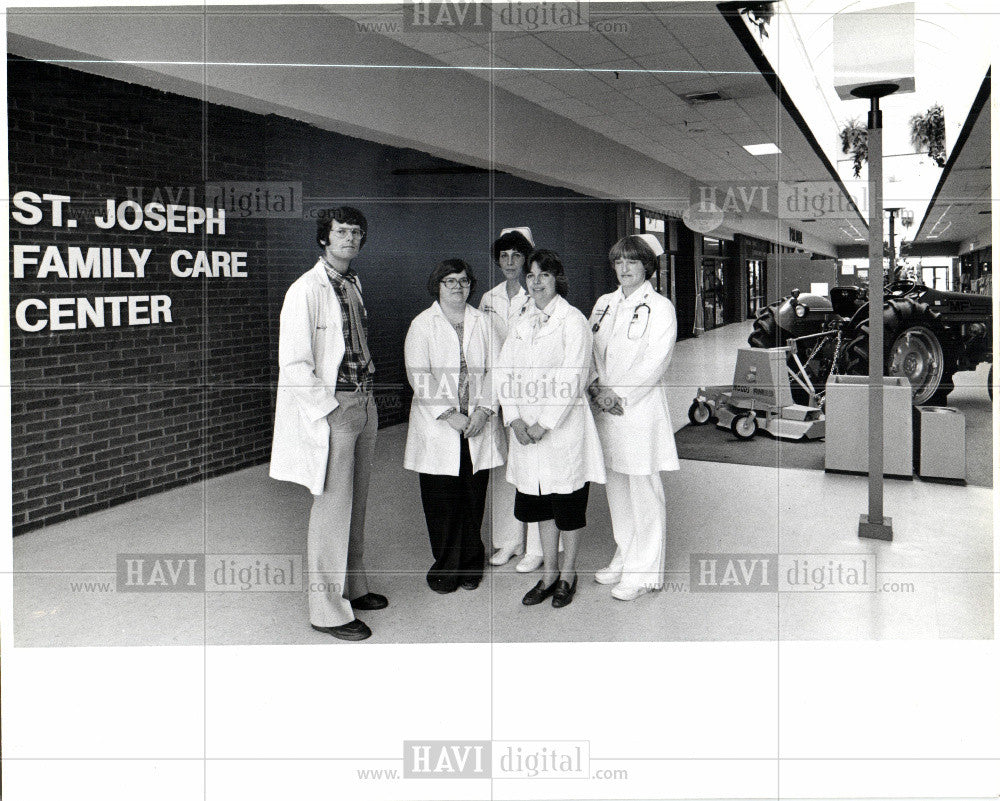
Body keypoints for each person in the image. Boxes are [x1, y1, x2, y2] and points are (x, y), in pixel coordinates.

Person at [269, 207, 386, 642]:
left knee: (357, 501)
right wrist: (330, 410)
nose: (350, 239)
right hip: (335, 407)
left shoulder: (352, 283)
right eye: (341, 232)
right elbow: (294, 364)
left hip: (364, 400)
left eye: (357, 232)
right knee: (333, 508)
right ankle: (327, 611)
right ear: (324, 238)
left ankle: (353, 587)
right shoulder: (305, 290)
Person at [497, 249, 606, 608]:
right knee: (540, 503)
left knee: (568, 505)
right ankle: (548, 574)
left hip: (560, 428)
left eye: (544, 275)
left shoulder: (573, 320)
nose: (537, 281)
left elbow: (573, 377)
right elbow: (504, 372)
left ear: (557, 278)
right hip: (525, 429)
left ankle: (568, 574)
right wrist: (513, 417)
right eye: (531, 276)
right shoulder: (522, 321)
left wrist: (543, 423)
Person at [403, 259, 505, 594]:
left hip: (478, 423)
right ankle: (446, 566)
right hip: (440, 427)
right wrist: (451, 415)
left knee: (473, 497)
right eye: (450, 281)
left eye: (463, 281)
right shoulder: (423, 324)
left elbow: (497, 370)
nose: (457, 287)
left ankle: (471, 563)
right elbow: (420, 376)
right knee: (441, 500)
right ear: (438, 285)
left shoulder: (484, 322)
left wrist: (483, 412)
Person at [588, 234, 678, 601]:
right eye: (619, 261)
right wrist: (596, 387)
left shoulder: (660, 307)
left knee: (643, 488)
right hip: (606, 409)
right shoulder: (603, 304)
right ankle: (625, 553)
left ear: (647, 266)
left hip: (638, 410)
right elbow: (590, 350)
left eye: (632, 262)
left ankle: (644, 572)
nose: (624, 268)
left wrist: (618, 394)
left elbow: (655, 360)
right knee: (617, 488)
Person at [479, 227, 555, 572]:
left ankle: (538, 547)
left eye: (517, 255)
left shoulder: (539, 294)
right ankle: (508, 541)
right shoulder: (489, 299)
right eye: (504, 256)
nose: (509, 262)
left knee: (537, 470)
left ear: (528, 260)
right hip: (500, 393)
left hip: (533, 394)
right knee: (504, 468)